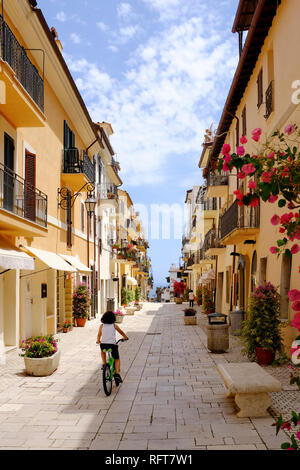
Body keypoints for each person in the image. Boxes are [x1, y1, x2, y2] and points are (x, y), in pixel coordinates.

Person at [96, 311, 128, 384]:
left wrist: (98, 341)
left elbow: (99, 335)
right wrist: (125, 337)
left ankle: (104, 364)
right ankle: (116, 374)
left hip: (103, 344)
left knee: (102, 351)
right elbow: (121, 332)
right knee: (116, 358)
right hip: (112, 345)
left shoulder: (101, 326)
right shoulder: (114, 325)